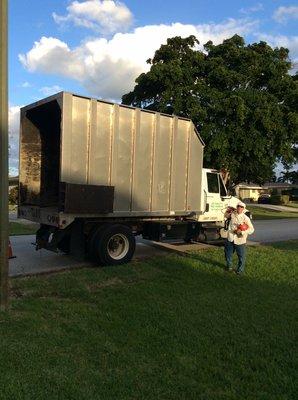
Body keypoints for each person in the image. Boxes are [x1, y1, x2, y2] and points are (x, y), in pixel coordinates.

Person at [224, 201, 254, 275]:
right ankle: (229, 267)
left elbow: (252, 229)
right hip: (230, 238)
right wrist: (228, 210)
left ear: (244, 209)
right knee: (228, 254)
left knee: (241, 256)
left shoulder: (246, 218)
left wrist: (242, 232)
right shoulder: (232, 214)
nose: (239, 208)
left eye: (241, 207)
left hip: (240, 240)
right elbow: (225, 216)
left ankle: (240, 270)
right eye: (238, 206)